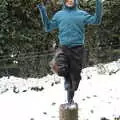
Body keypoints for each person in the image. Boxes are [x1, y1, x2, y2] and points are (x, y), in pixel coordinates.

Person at [37, 0, 103, 104]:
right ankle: (66, 82)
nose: (70, 1)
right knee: (62, 69)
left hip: (77, 49)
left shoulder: (81, 14)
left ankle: (70, 99)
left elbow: (96, 20)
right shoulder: (59, 15)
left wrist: (99, 3)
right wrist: (42, 9)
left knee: (75, 76)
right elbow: (48, 27)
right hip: (64, 48)